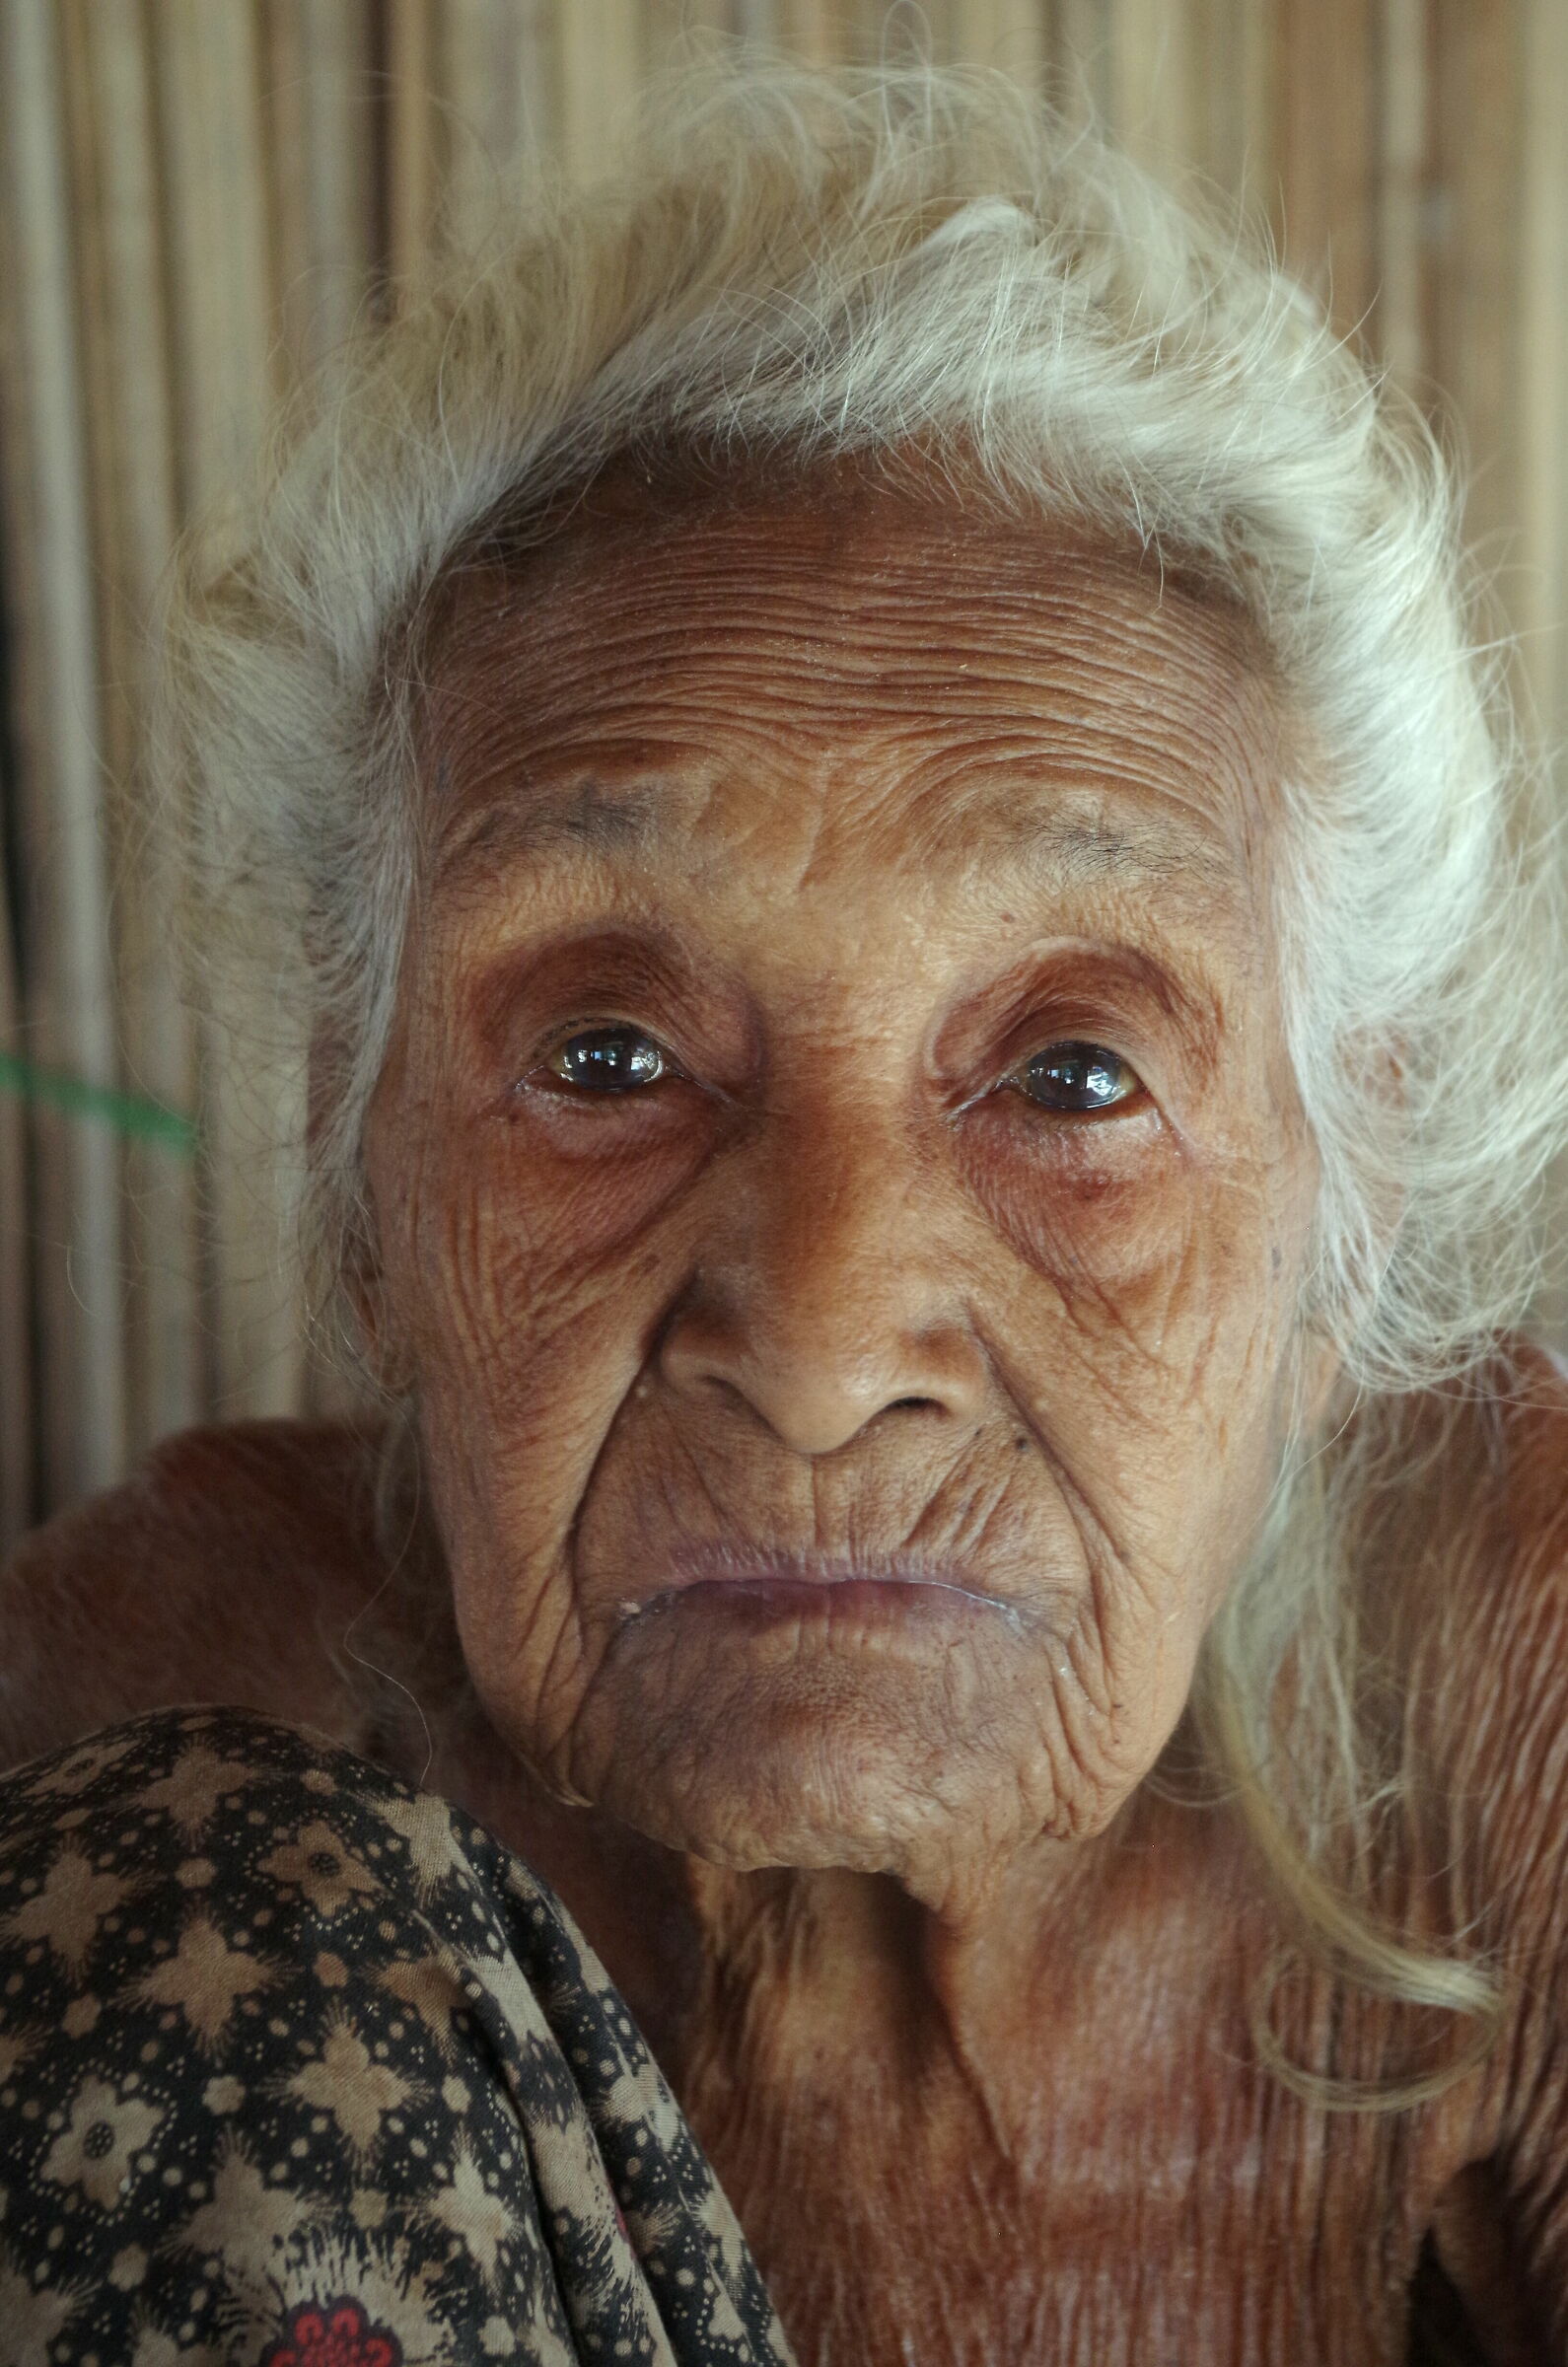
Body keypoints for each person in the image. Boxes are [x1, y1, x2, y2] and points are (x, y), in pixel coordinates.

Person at [3, 58, 1567, 2366]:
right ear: (362, 1162)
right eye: (606, 1062)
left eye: (1074, 1078)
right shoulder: (170, 1776)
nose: (828, 1337)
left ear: (1350, 1201)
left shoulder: (1507, 1681)